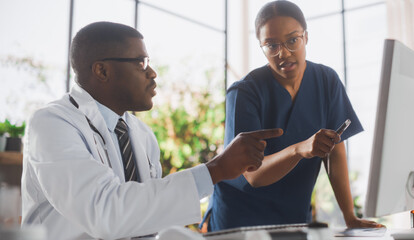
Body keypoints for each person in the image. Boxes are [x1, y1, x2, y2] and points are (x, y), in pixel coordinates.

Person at [21, 21, 283, 240]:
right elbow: (105, 213)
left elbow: (145, 217)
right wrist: (215, 170)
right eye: (141, 62)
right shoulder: (52, 124)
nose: (153, 73)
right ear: (102, 70)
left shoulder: (142, 135)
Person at [203, 0, 384, 231]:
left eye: (292, 40)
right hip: (241, 216)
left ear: (305, 37)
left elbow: (335, 150)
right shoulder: (244, 93)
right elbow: (252, 175)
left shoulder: (327, 81)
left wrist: (349, 216)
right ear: (261, 46)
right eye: (272, 45)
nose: (284, 53)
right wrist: (300, 149)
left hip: (292, 213)